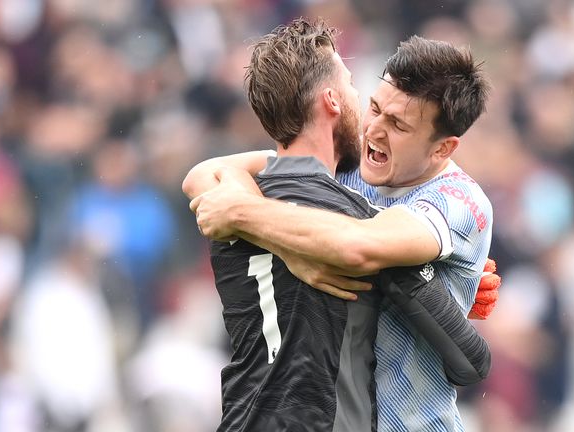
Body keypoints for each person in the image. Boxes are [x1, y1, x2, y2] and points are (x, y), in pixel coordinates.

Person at [186, 18, 492, 431]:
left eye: (398, 125)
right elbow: (207, 174)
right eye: (375, 107)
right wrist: (291, 244)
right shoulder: (347, 168)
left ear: (443, 148)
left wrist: (245, 216)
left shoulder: (458, 201)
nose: (373, 130)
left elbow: (360, 245)